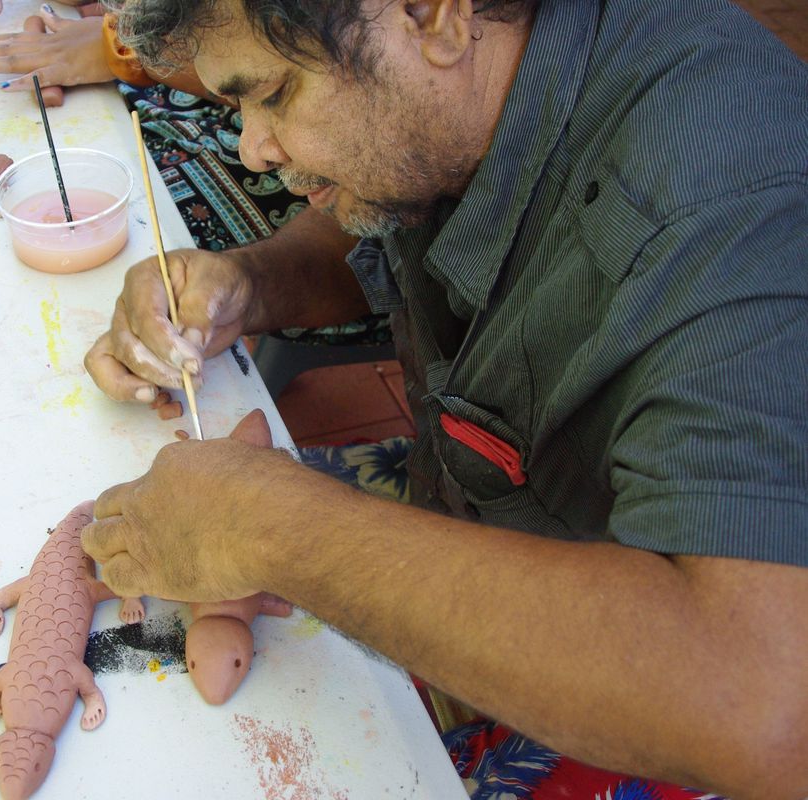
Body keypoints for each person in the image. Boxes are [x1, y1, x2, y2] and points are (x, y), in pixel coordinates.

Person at [77, 1, 808, 798]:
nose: (254, 149)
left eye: (275, 93)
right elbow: (380, 215)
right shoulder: (457, 99)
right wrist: (243, 286)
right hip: (463, 492)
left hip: (649, 693)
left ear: (434, 17)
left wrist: (267, 527)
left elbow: (761, 704)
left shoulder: (726, 208)